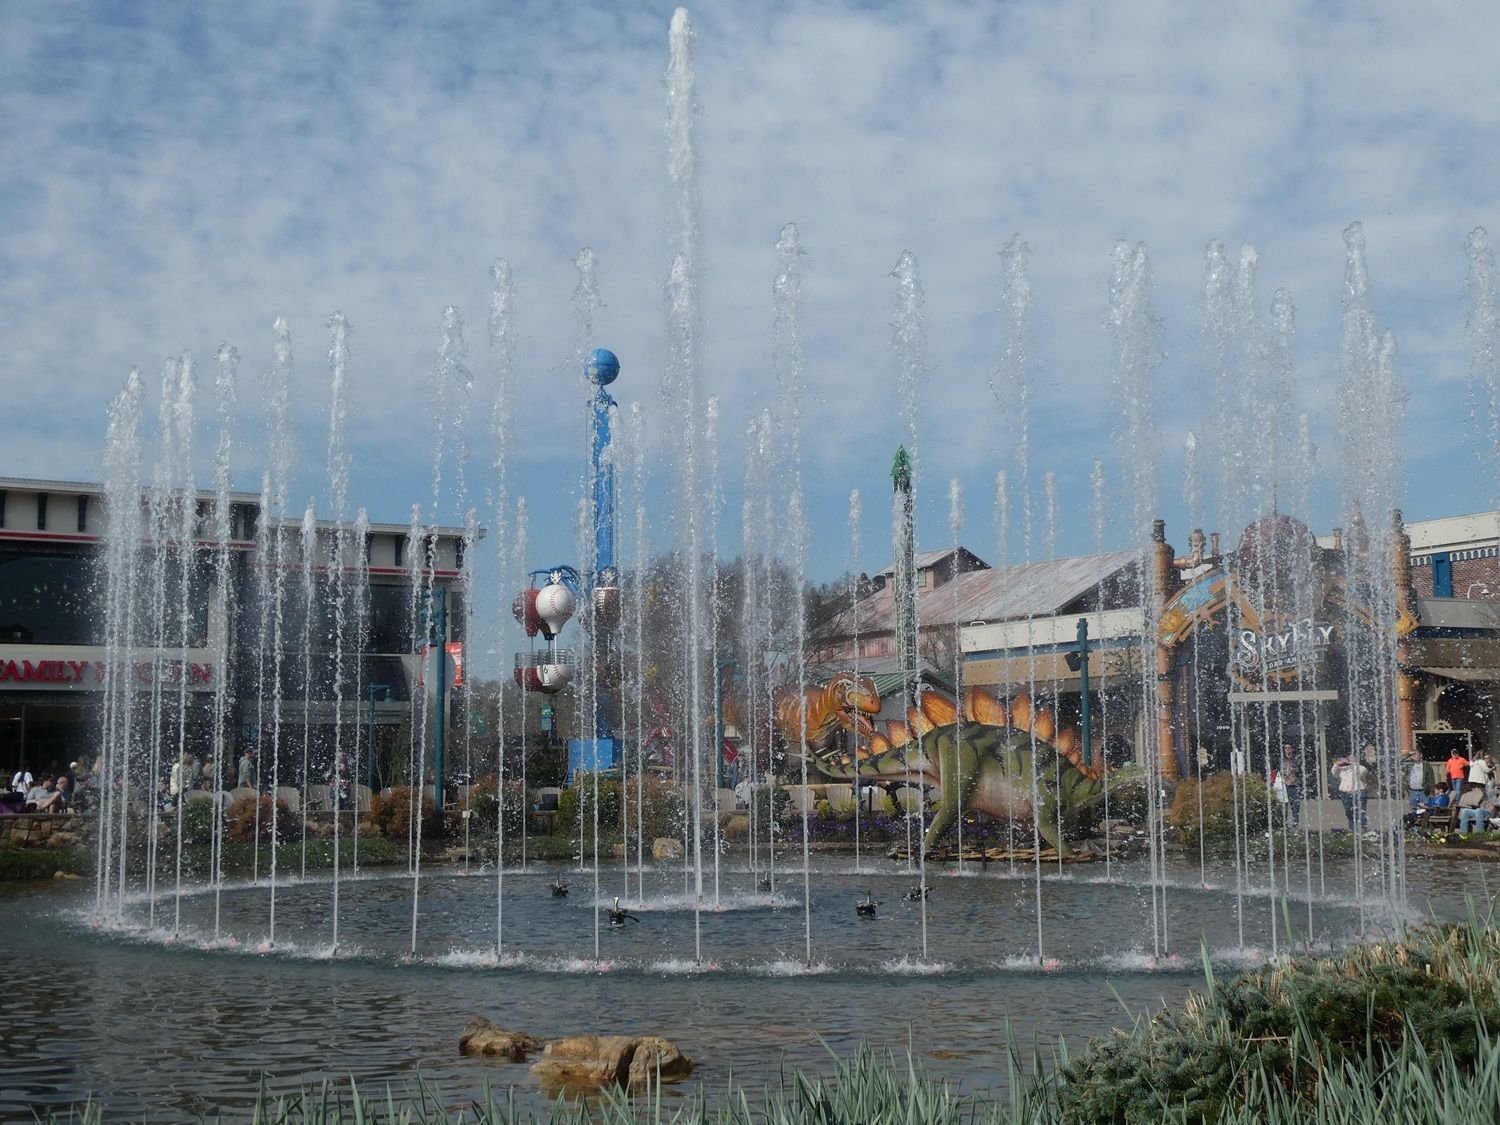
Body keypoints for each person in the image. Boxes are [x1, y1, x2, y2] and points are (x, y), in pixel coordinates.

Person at [1332, 756, 1368, 831]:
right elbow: (1334, 772)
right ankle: (1352, 829)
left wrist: (1353, 764)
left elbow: (1363, 771)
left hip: (1359, 791)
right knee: (1349, 812)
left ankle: (1363, 829)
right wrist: (1337, 764)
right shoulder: (1341, 770)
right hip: (1345, 793)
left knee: (1361, 811)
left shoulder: (1358, 768)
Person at [1277, 745, 1302, 829]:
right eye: (1285, 748)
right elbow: (1278, 771)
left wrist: (1294, 770)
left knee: (1295, 806)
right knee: (1284, 807)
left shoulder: (1296, 760)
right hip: (1284, 786)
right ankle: (1284, 826)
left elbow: (1299, 771)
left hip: (1294, 785)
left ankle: (1295, 827)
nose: (1287, 749)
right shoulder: (1281, 760)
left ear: (1292, 749)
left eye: (1289, 748)